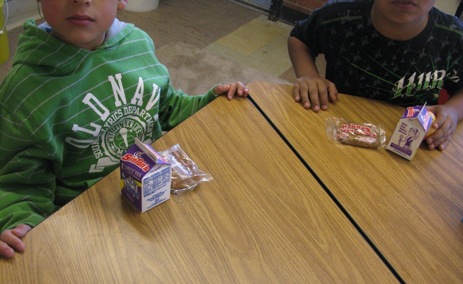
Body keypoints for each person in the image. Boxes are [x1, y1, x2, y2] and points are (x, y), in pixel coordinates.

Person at [0, 0, 249, 259]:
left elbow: (166, 106)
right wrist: (21, 223)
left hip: (157, 191)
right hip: (88, 223)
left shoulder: (138, 43)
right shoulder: (24, 91)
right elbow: (18, 182)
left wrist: (209, 102)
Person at [288, 0, 463, 151]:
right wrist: (309, 75)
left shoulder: (454, 36)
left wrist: (453, 111)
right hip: (337, 133)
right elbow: (299, 38)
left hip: (412, 148)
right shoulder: (340, 15)